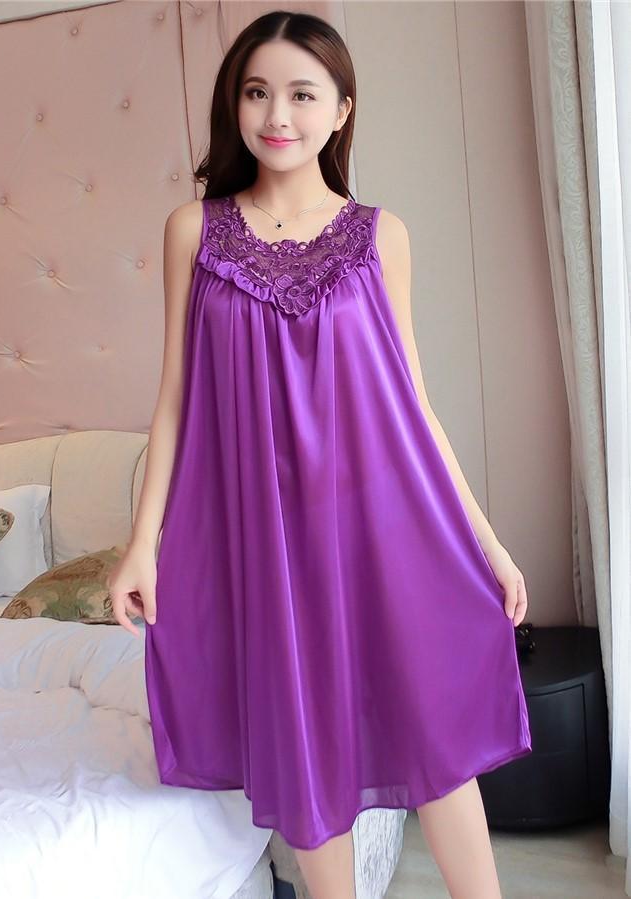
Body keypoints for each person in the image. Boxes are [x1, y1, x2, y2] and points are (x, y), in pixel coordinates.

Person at [108, 9, 532, 899]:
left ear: (341, 110)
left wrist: (486, 541)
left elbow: (414, 407)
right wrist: (142, 543)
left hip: (383, 527)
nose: (276, 115)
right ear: (234, 104)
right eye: (256, 92)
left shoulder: (381, 236)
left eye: (302, 95)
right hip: (265, 541)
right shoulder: (194, 231)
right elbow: (174, 398)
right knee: (306, 752)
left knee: (433, 736)